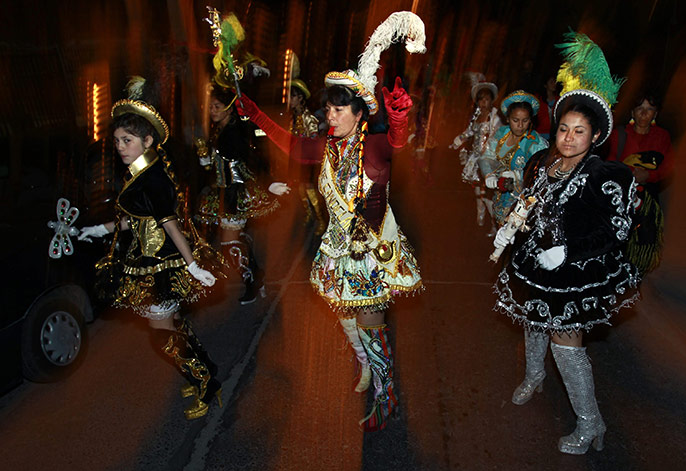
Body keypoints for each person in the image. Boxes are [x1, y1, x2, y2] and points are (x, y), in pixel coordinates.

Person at [236, 11, 426, 431]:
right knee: (344, 316)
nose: (331, 114)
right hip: (338, 251)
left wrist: (397, 118)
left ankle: (386, 395)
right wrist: (255, 115)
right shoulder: (323, 149)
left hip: (373, 254)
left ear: (359, 113)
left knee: (371, 325)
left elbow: (396, 142)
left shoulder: (375, 146)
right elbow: (288, 144)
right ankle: (364, 366)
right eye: (330, 107)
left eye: (340, 108)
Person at [492, 32, 639, 454]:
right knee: (532, 319)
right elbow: (531, 203)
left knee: (567, 344)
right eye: (563, 129)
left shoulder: (605, 176)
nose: (569, 138)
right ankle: (534, 377)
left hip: (576, 272)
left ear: (594, 137)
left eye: (579, 131)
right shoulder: (544, 163)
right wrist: (513, 223)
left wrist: (568, 252)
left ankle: (591, 422)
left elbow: (617, 230)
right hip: (537, 262)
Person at [78, 97, 223, 420]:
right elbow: (140, 219)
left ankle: (207, 384)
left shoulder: (152, 176)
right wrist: (100, 230)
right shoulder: (143, 172)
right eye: (116, 141)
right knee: (174, 325)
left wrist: (193, 264)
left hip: (161, 263)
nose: (120, 146)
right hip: (150, 258)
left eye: (127, 140)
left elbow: (170, 224)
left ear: (147, 141)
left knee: (161, 337)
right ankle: (204, 372)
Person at [194, 84, 290, 304]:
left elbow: (252, 161)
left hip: (235, 194)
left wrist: (269, 185)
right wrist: (204, 158)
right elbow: (216, 165)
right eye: (211, 107)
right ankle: (256, 276)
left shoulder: (235, 133)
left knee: (228, 244)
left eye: (217, 107)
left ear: (229, 108)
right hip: (223, 192)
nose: (213, 111)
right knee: (234, 238)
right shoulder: (220, 130)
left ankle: (252, 280)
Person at [606, 93, 672, 275]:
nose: (644, 114)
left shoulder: (661, 137)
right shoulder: (619, 135)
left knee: (645, 237)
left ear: (655, 114)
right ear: (632, 112)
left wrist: (648, 175)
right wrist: (627, 175)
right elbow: (610, 162)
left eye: (649, 110)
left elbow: (666, 167)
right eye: (640, 109)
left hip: (648, 195)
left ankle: (637, 272)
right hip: (622, 194)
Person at [483, 90, 548, 227]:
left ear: (530, 120)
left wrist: (517, 175)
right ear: (507, 119)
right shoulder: (502, 133)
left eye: (525, 121)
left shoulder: (535, 143)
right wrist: (488, 174)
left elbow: (543, 174)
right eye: (515, 120)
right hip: (500, 195)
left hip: (521, 203)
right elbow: (486, 156)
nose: (520, 125)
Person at [450, 77, 502, 228]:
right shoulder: (477, 115)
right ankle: (480, 214)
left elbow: (498, 136)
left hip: (490, 159)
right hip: (476, 158)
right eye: (481, 99)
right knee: (478, 190)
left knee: (488, 193)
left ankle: (494, 223)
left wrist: (490, 152)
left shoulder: (495, 116)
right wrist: (458, 140)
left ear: (492, 100)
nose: (483, 102)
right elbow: (469, 131)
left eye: (487, 99)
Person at [287, 68, 326, 236]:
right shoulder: (292, 117)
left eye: (292, 96)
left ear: (300, 98)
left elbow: (314, 141)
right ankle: (309, 214)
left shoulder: (309, 118)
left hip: (309, 161)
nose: (289, 100)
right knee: (301, 189)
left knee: (310, 189)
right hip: (297, 159)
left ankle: (321, 220)